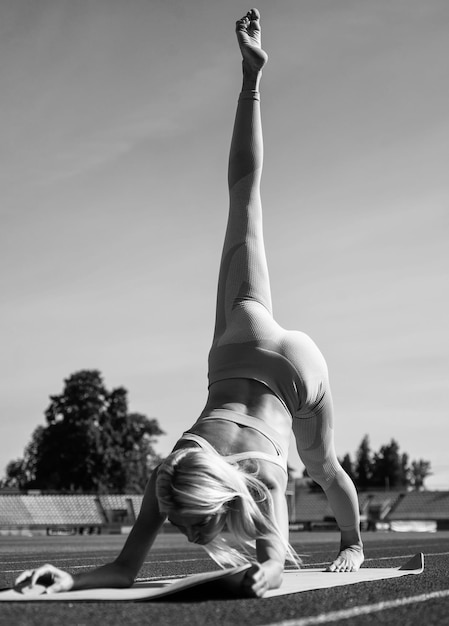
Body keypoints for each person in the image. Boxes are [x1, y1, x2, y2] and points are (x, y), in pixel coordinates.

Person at [15, 9, 364, 598]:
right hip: (241, 349)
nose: (180, 529)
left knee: (324, 465)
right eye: (184, 522)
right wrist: (67, 578)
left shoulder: (261, 479)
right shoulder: (171, 476)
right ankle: (249, 80)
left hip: (292, 374)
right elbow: (128, 571)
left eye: (187, 524)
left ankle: (352, 541)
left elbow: (268, 573)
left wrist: (257, 569)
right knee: (243, 206)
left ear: (222, 497)